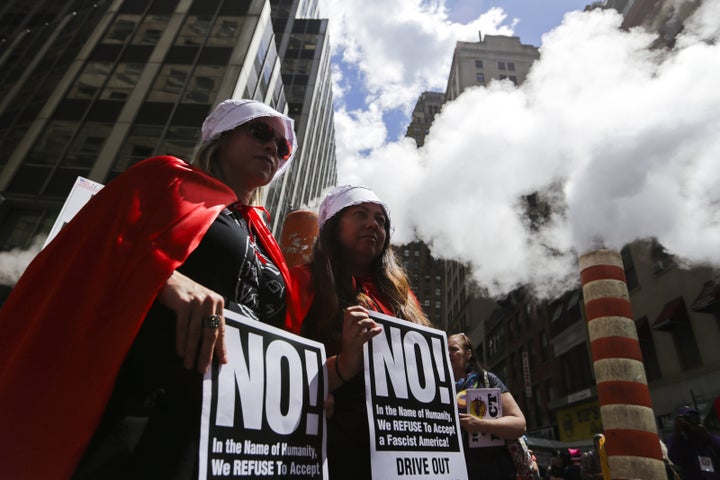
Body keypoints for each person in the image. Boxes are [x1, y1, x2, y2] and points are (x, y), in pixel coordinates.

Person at [0, 99, 302, 480]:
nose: (274, 147)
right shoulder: (166, 179)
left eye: (283, 146)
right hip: (137, 410)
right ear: (222, 137)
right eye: (261, 132)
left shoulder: (264, 238)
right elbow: (86, 247)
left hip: (216, 434)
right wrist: (164, 277)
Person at [290, 184, 432, 479]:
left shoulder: (403, 297)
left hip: (401, 452)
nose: (373, 224)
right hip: (333, 448)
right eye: (361, 214)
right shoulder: (302, 280)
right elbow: (281, 371)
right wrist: (343, 364)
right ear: (333, 225)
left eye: (381, 220)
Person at [449, 332, 527, 479]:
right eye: (445, 350)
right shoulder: (439, 389)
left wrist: (481, 424)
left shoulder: (487, 380)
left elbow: (519, 424)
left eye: (454, 349)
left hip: (495, 470)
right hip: (457, 472)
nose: (448, 353)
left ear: (468, 354)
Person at [667, 405, 720, 480]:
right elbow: (675, 459)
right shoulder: (680, 441)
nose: (692, 420)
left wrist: (708, 437)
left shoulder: (709, 440)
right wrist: (677, 433)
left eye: (694, 416)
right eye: (688, 418)